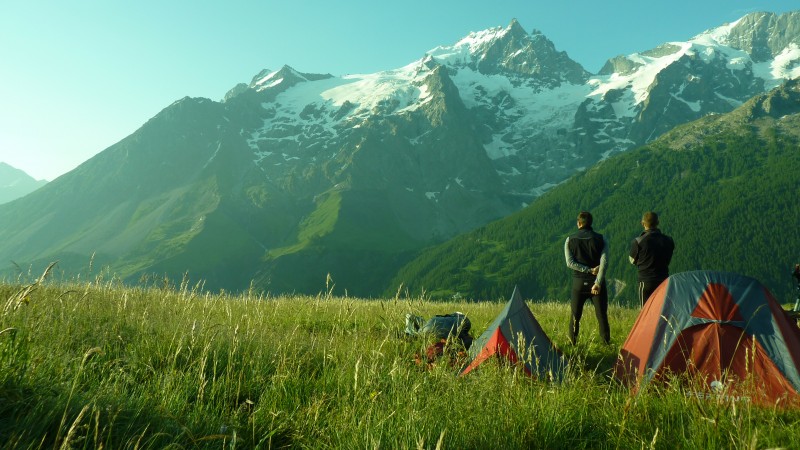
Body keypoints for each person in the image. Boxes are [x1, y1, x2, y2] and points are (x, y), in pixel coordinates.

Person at [564, 211, 610, 345]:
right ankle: (606, 345)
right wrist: (597, 282)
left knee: (575, 316)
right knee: (601, 316)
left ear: (578, 223)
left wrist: (587, 270)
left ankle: (572, 344)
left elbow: (570, 263)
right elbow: (604, 262)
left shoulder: (569, 239)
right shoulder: (601, 239)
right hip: (597, 284)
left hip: (578, 282)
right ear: (590, 223)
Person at [629, 211, 675, 306]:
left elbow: (632, 260)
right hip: (663, 279)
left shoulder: (638, 241)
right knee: (661, 310)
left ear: (643, 223)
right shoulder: (668, 240)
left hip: (645, 280)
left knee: (645, 312)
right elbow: (669, 256)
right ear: (657, 223)